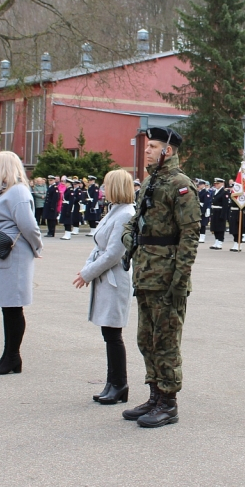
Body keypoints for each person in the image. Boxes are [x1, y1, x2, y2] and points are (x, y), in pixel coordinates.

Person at [120, 126, 200, 428]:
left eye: (153, 146)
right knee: (146, 339)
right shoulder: (151, 183)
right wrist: (131, 242)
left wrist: (180, 281)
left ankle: (168, 403)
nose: (148, 150)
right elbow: (133, 224)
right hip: (145, 274)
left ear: (168, 150)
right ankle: (154, 394)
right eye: (148, 145)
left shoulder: (180, 185)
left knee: (165, 340)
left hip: (167, 278)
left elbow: (190, 236)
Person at [0, 151, 44, 372]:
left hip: (13, 256)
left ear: (5, 167)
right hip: (3, 254)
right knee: (8, 307)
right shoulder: (3, 192)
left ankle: (12, 356)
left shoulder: (17, 192)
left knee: (13, 306)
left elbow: (29, 225)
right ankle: (10, 356)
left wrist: (37, 247)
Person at [72, 169, 135, 402]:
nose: (102, 190)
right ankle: (113, 382)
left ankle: (119, 384)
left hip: (115, 279)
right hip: (105, 277)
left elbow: (113, 254)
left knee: (113, 332)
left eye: (106, 185)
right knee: (108, 332)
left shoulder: (126, 214)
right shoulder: (114, 211)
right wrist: (87, 267)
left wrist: (88, 273)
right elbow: (99, 243)